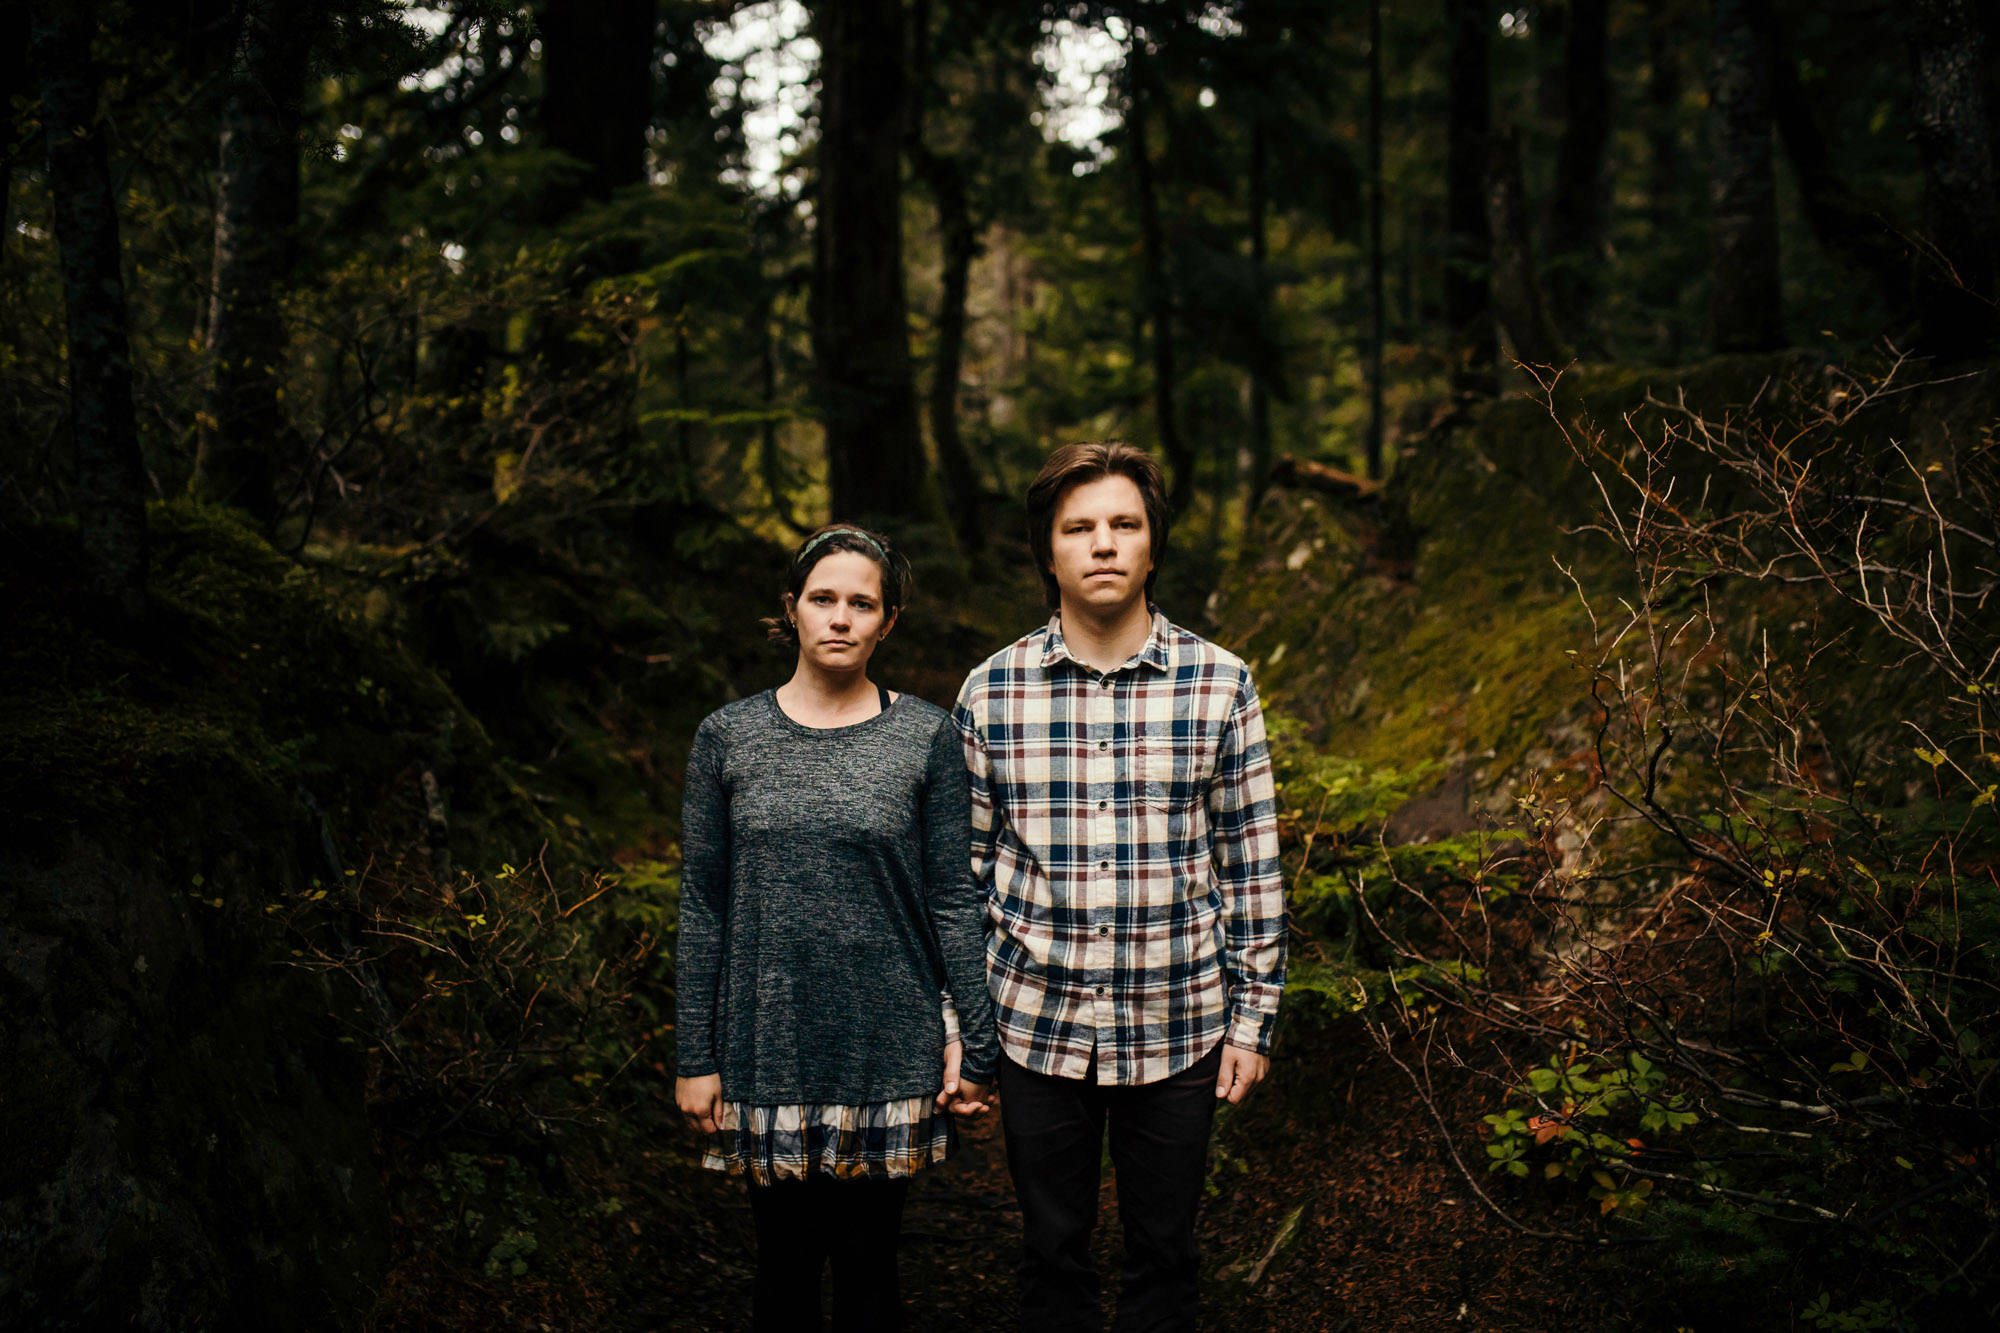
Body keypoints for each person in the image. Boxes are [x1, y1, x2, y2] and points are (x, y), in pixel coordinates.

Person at [952, 442, 1287, 1332]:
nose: (1103, 543)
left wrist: (1251, 1020)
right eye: (1080, 527)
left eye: (1124, 524)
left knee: (1166, 1260)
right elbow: (964, 875)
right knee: (1050, 1256)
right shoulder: (991, 691)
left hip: (1179, 1020)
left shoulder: (1221, 684)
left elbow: (1250, 864)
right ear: (1048, 550)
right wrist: (962, 1029)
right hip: (1034, 1021)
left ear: (1152, 543)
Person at [674, 524, 1000, 1333]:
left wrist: (978, 1046)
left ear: (887, 622)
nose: (841, 618)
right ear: (792, 609)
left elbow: (953, 898)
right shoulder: (727, 737)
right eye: (824, 599)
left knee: (868, 1274)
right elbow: (702, 902)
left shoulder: (925, 736)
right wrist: (694, 1055)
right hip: (765, 1044)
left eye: (864, 603)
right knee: (782, 1272)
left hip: (887, 1048)